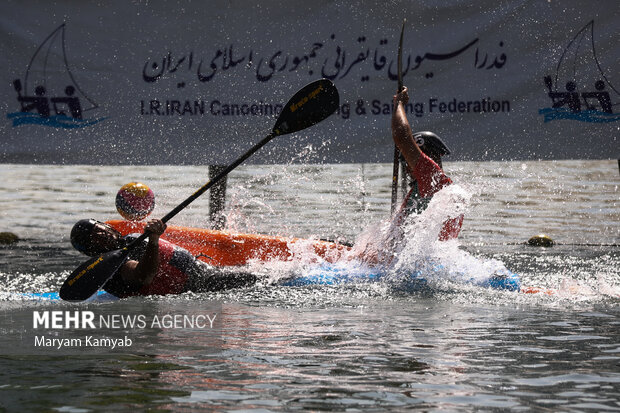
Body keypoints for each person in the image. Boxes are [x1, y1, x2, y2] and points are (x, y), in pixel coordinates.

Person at [70, 218, 256, 298]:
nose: (106, 235)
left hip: (204, 272)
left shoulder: (129, 241)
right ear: (92, 250)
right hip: (196, 288)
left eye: (103, 230)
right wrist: (153, 239)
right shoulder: (112, 267)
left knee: (258, 270)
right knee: (260, 280)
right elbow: (144, 276)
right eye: (98, 238)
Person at [391, 86, 463, 241]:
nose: (407, 166)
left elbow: (402, 137)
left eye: (409, 159)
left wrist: (399, 104)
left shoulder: (430, 177)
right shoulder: (430, 187)